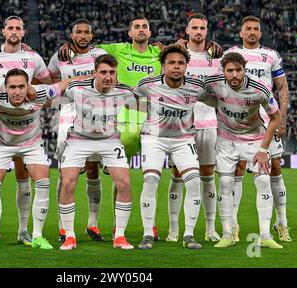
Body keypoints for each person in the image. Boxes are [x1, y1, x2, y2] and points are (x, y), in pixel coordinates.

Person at [58, 15, 223, 241]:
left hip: (155, 120)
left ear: (150, 31)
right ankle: (97, 224)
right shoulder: (117, 49)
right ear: (130, 32)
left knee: (151, 176)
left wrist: (209, 46)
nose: (141, 30)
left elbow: (183, 51)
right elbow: (87, 46)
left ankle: (150, 227)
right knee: (107, 171)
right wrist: (69, 46)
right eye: (136, 26)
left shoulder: (160, 52)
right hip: (125, 116)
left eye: (145, 26)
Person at [0, 69, 86, 251]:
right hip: (2, 144)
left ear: (28, 86)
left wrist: (95, 76)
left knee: (43, 183)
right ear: (5, 88)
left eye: (22, 86)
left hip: (31, 144)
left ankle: (37, 235)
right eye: (12, 87)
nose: (17, 91)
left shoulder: (41, 93)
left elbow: (67, 82)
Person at [0, 15, 52, 246]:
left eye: (18, 28)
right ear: (3, 31)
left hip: (26, 117)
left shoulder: (33, 57)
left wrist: (33, 90)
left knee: (23, 176)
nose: (14, 31)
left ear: (23, 32)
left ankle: (24, 231)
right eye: (10, 27)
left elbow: (47, 82)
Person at [58, 54, 136, 250]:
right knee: (67, 183)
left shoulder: (125, 93)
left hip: (109, 141)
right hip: (79, 140)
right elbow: (54, 91)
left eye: (112, 73)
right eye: (103, 72)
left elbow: (146, 101)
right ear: (95, 72)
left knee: (125, 183)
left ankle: (120, 236)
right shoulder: (76, 90)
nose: (108, 77)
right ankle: (69, 236)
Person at [205, 52, 283, 249]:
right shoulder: (214, 83)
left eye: (238, 70)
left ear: (244, 69)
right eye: (229, 71)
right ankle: (227, 234)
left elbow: (276, 118)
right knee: (225, 183)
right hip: (226, 140)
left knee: (264, 181)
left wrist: (264, 149)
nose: (234, 75)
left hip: (254, 139)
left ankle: (265, 235)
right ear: (223, 71)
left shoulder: (259, 89)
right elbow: (190, 88)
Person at [135, 44, 209, 250]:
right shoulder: (147, 84)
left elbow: (215, 97)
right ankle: (148, 234)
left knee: (194, 183)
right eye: (171, 63)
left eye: (180, 63)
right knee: (150, 180)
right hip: (153, 139)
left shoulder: (197, 86)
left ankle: (189, 235)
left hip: (183, 139)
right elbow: (131, 97)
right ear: (163, 66)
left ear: (186, 66)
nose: (176, 67)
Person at [225, 16, 291, 242]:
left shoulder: (271, 55)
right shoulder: (231, 53)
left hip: (267, 117)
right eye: (248, 29)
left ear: (260, 33)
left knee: (274, 167)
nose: (252, 32)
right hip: (240, 120)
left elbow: (282, 87)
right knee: (238, 169)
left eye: (256, 29)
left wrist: (281, 117)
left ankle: (282, 223)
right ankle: (232, 225)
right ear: (241, 33)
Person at [47, 18, 107, 242]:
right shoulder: (58, 57)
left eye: (86, 32)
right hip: (69, 112)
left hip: (97, 112)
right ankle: (64, 227)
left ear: (91, 36)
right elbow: (50, 80)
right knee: (66, 171)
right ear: (72, 35)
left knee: (93, 169)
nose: (82, 36)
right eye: (78, 32)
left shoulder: (100, 54)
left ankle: (93, 224)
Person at [166, 13, 221, 243]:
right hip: (181, 125)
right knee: (177, 175)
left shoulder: (217, 58)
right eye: (194, 28)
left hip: (208, 124)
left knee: (208, 175)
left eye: (202, 28)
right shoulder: (178, 56)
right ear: (187, 30)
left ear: (207, 31)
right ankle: (173, 228)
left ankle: (209, 228)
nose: (198, 31)